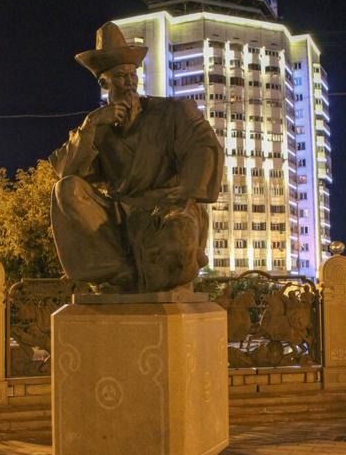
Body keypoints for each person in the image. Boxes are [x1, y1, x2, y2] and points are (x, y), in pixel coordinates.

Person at [49, 22, 224, 293]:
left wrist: (185, 196)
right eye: (121, 76)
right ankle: (121, 273)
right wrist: (92, 124)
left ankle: (170, 260)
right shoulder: (96, 128)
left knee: (178, 240)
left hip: (167, 207)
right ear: (104, 82)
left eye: (133, 75)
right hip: (119, 216)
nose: (130, 82)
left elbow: (203, 145)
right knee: (66, 189)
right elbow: (66, 172)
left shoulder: (172, 112)